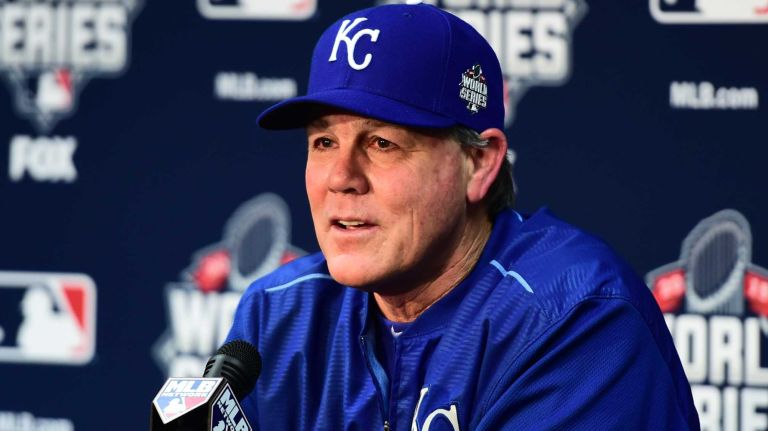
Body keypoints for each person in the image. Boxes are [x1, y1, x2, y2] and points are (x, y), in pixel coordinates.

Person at [225, 3, 700, 430]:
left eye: (382, 143)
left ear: (479, 163)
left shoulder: (576, 320)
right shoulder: (280, 314)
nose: (341, 177)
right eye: (323, 142)